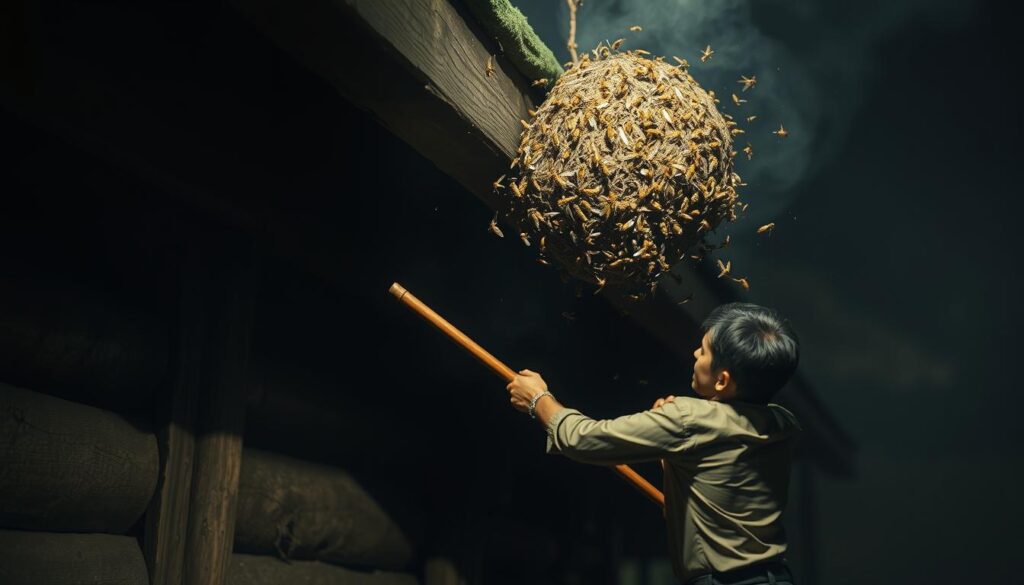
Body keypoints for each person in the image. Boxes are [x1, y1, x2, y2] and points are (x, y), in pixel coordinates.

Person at [507, 302, 802, 585]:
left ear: (722, 380)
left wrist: (537, 399)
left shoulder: (689, 419)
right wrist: (674, 431)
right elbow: (717, 467)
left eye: (704, 352)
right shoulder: (782, 423)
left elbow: (582, 439)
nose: (695, 352)